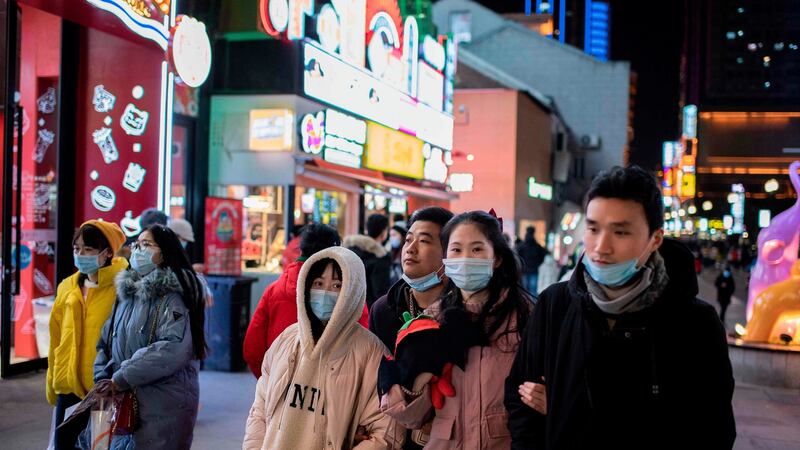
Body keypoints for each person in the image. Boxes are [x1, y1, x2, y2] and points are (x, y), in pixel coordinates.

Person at [505, 166, 736, 449]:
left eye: (621, 232)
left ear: (655, 239)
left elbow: (713, 430)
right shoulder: (556, 304)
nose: (601, 247)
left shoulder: (695, 323)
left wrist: (566, 409)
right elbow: (519, 398)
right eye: (592, 229)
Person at [381, 210, 533, 449]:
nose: (465, 258)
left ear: (497, 258)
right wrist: (411, 381)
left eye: (476, 249)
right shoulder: (431, 320)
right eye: (456, 250)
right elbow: (412, 419)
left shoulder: (525, 316)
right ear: (446, 257)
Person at [243, 247, 402, 449]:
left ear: (352, 291)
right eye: (318, 283)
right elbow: (259, 410)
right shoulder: (287, 339)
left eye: (337, 285)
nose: (325, 293)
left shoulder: (371, 353)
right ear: (305, 286)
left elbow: (386, 433)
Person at [92, 224, 207, 449]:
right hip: (123, 400)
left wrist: (122, 376)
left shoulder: (173, 296)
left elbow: (172, 348)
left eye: (147, 245)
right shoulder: (127, 293)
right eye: (137, 244)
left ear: (164, 252)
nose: (138, 250)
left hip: (162, 404)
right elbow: (105, 340)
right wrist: (102, 375)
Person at [243, 223, 370, 378]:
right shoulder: (350, 296)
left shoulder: (274, 290)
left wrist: (270, 381)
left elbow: (252, 348)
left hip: (281, 384)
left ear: (301, 248)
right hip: (331, 391)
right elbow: (363, 349)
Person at [46, 221, 128, 448]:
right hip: (68, 387)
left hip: (104, 390)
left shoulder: (122, 288)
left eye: (88, 249)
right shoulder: (67, 287)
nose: (81, 254)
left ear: (108, 252)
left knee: (97, 446)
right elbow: (56, 338)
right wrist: (53, 381)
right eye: (77, 249)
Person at [345, 214, 392, 309]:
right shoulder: (380, 257)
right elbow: (380, 293)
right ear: (383, 232)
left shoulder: (350, 251)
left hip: (348, 308)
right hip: (369, 311)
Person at [517, 226, 547, 294]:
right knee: (532, 289)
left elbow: (518, 256)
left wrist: (521, 265)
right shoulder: (537, 246)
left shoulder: (522, 246)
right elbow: (543, 255)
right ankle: (532, 304)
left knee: (525, 289)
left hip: (526, 269)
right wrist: (538, 263)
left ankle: (526, 303)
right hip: (533, 269)